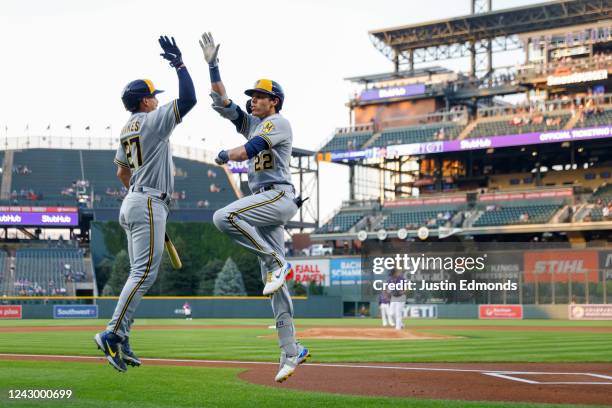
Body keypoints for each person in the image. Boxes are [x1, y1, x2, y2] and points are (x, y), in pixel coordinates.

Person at [199, 32, 309, 383]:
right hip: (266, 203)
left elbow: (251, 148)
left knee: (224, 216)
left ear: (274, 101)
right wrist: (213, 65)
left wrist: (226, 155)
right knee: (274, 285)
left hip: (278, 196)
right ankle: (291, 351)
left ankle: (277, 261)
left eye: (260, 96)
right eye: (254, 96)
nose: (254, 100)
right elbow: (224, 103)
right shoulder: (251, 121)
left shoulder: (278, 123)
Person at [94, 35, 197, 373]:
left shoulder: (126, 129)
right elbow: (190, 99)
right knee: (143, 273)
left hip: (135, 201)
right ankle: (113, 334)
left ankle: (123, 336)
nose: (156, 101)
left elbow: (122, 172)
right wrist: (180, 65)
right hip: (150, 202)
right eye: (153, 96)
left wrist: (138, 195)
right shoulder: (153, 121)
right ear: (144, 101)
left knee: (138, 273)